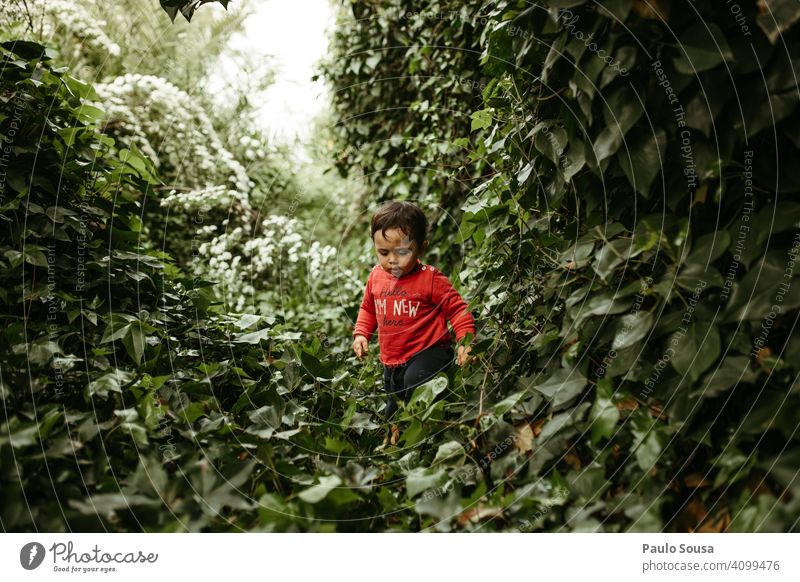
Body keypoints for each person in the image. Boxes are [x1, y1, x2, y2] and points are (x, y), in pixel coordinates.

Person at [352, 201, 476, 443]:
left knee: (416, 384)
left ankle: (430, 434)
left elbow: (458, 310)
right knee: (393, 405)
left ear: (421, 248)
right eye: (383, 252)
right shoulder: (376, 277)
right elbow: (368, 309)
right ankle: (397, 445)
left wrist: (465, 341)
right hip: (393, 359)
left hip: (429, 351)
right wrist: (361, 334)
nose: (392, 260)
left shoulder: (430, 279)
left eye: (402, 252)